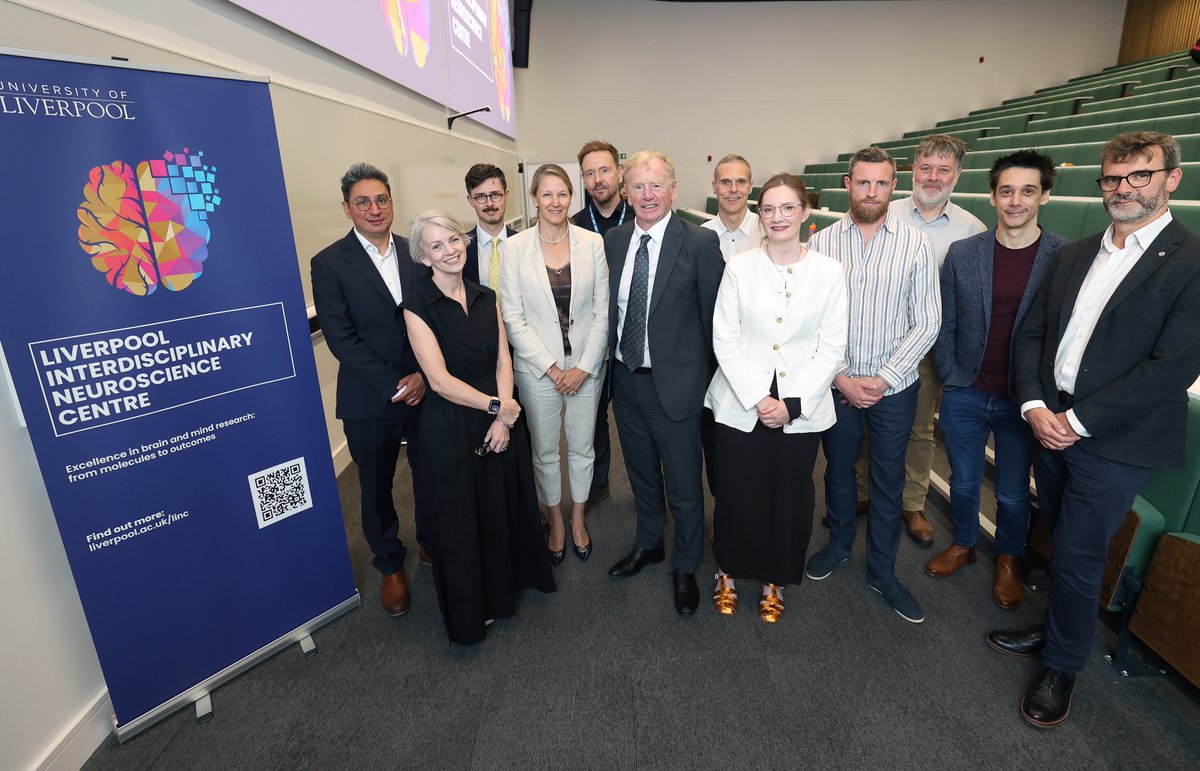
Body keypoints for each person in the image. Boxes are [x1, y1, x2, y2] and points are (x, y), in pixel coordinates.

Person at [990, 131, 1200, 727]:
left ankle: (1062, 667)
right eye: (1113, 177)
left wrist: (1077, 422)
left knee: (1079, 554)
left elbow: (1172, 368)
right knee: (1059, 536)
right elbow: (1032, 333)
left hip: (1114, 439)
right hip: (1049, 421)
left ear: (1171, 179)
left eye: (1140, 175)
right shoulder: (1076, 253)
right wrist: (1035, 405)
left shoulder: (1191, 262)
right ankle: (1057, 629)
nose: (1123, 188)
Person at [402, 211, 556, 645]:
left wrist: (504, 413)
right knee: (464, 517)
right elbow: (438, 381)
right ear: (423, 257)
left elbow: (503, 359)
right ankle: (476, 606)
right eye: (436, 246)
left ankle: (508, 586)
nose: (449, 250)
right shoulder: (416, 308)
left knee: (501, 502)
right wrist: (498, 409)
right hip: (454, 424)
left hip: (500, 415)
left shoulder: (487, 296)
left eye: (453, 239)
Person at [805, 147, 940, 624]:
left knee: (888, 481)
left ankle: (883, 570)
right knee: (838, 471)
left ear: (893, 186)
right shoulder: (821, 244)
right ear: (848, 184)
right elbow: (810, 320)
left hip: (894, 389)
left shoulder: (916, 244)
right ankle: (840, 543)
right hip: (836, 385)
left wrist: (882, 379)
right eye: (863, 182)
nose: (871, 191)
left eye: (881, 183)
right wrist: (841, 376)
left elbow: (927, 321)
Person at [928, 150, 1067, 610]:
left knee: (1011, 490)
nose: (1015, 201)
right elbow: (945, 321)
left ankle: (1009, 556)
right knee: (964, 481)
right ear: (993, 197)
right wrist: (950, 375)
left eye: (1028, 191)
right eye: (1006, 191)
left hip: (1023, 400)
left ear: (1045, 196)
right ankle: (964, 543)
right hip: (967, 389)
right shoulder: (964, 253)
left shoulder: (1064, 257)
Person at [705, 173, 847, 622]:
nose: (778, 216)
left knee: (789, 497)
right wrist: (757, 398)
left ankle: (775, 578)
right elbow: (724, 338)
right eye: (768, 208)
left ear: (805, 213)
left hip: (801, 407)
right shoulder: (739, 266)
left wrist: (792, 405)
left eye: (788, 207)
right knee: (735, 491)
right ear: (759, 216)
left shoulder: (829, 272)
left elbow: (832, 347)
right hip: (740, 400)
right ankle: (727, 571)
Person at [605, 149, 724, 617]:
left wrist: (705, 387)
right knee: (640, 475)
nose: (648, 194)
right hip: (626, 382)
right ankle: (649, 543)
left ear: (673, 190)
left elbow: (715, 323)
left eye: (656, 185)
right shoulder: (615, 240)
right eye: (638, 186)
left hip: (676, 388)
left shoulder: (699, 243)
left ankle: (686, 563)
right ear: (626, 193)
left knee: (684, 485)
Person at [310, 162, 429, 617]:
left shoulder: (416, 251)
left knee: (431, 470)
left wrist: (423, 376)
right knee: (376, 487)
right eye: (363, 202)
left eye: (381, 199)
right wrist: (395, 382)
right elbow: (341, 339)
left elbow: (432, 316)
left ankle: (430, 540)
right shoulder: (329, 263)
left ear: (392, 203)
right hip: (369, 397)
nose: (374, 209)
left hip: (425, 387)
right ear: (347, 208)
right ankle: (390, 564)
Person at [876, 135, 986, 546]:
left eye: (943, 170)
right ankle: (863, 492)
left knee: (919, 428)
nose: (933, 177)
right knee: (868, 423)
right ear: (913, 171)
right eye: (926, 168)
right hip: (875, 338)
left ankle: (912, 503)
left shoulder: (970, 229)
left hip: (926, 347)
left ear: (957, 175)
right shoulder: (884, 212)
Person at [501, 165, 609, 565]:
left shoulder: (592, 243)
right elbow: (513, 318)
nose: (555, 202)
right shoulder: (514, 248)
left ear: (571, 197)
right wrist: (551, 368)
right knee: (545, 451)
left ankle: (577, 518)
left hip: (585, 366)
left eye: (562, 194)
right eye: (546, 194)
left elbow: (602, 313)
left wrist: (582, 367)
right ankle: (557, 522)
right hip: (537, 370)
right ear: (534, 198)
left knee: (582, 448)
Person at [573, 139, 634, 512]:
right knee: (593, 419)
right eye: (590, 173)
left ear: (619, 173)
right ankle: (597, 485)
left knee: (635, 421)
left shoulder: (641, 216)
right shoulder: (575, 226)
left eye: (605, 170)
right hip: (592, 341)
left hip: (633, 340)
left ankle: (646, 486)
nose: (598, 179)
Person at [463, 163, 517, 291]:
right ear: (470, 200)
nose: (489, 203)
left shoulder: (525, 244)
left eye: (495, 195)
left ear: (506, 195)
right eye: (481, 197)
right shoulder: (460, 248)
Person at [702, 154, 764, 262]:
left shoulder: (766, 231)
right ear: (714, 187)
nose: (733, 189)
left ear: (750, 187)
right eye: (725, 182)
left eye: (741, 182)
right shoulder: (700, 237)